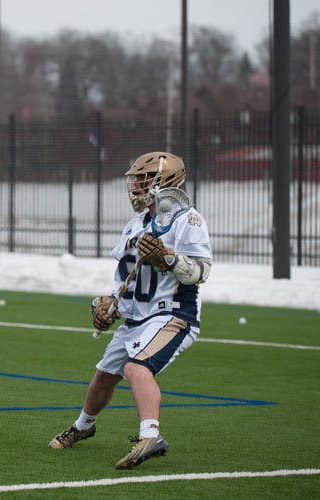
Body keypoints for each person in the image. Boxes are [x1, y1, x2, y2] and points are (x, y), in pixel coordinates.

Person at [48, 151, 212, 469]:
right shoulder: (136, 224)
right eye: (134, 179)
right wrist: (109, 304)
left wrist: (167, 257)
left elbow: (201, 273)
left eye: (143, 178)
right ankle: (84, 427)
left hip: (174, 314)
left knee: (137, 369)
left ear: (165, 180)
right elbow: (126, 279)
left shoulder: (187, 219)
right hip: (138, 317)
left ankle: (150, 435)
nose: (135, 185)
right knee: (104, 376)